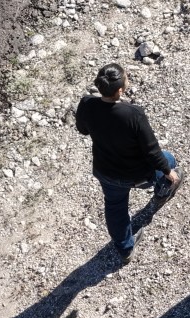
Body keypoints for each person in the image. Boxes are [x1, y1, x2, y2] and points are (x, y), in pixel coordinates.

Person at [75, 64, 183, 264]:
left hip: (105, 172)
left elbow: (82, 129)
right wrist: (169, 172)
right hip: (136, 174)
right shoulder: (134, 114)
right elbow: (152, 152)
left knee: (115, 207)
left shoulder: (87, 103)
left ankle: (125, 249)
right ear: (120, 91)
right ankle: (162, 192)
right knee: (169, 160)